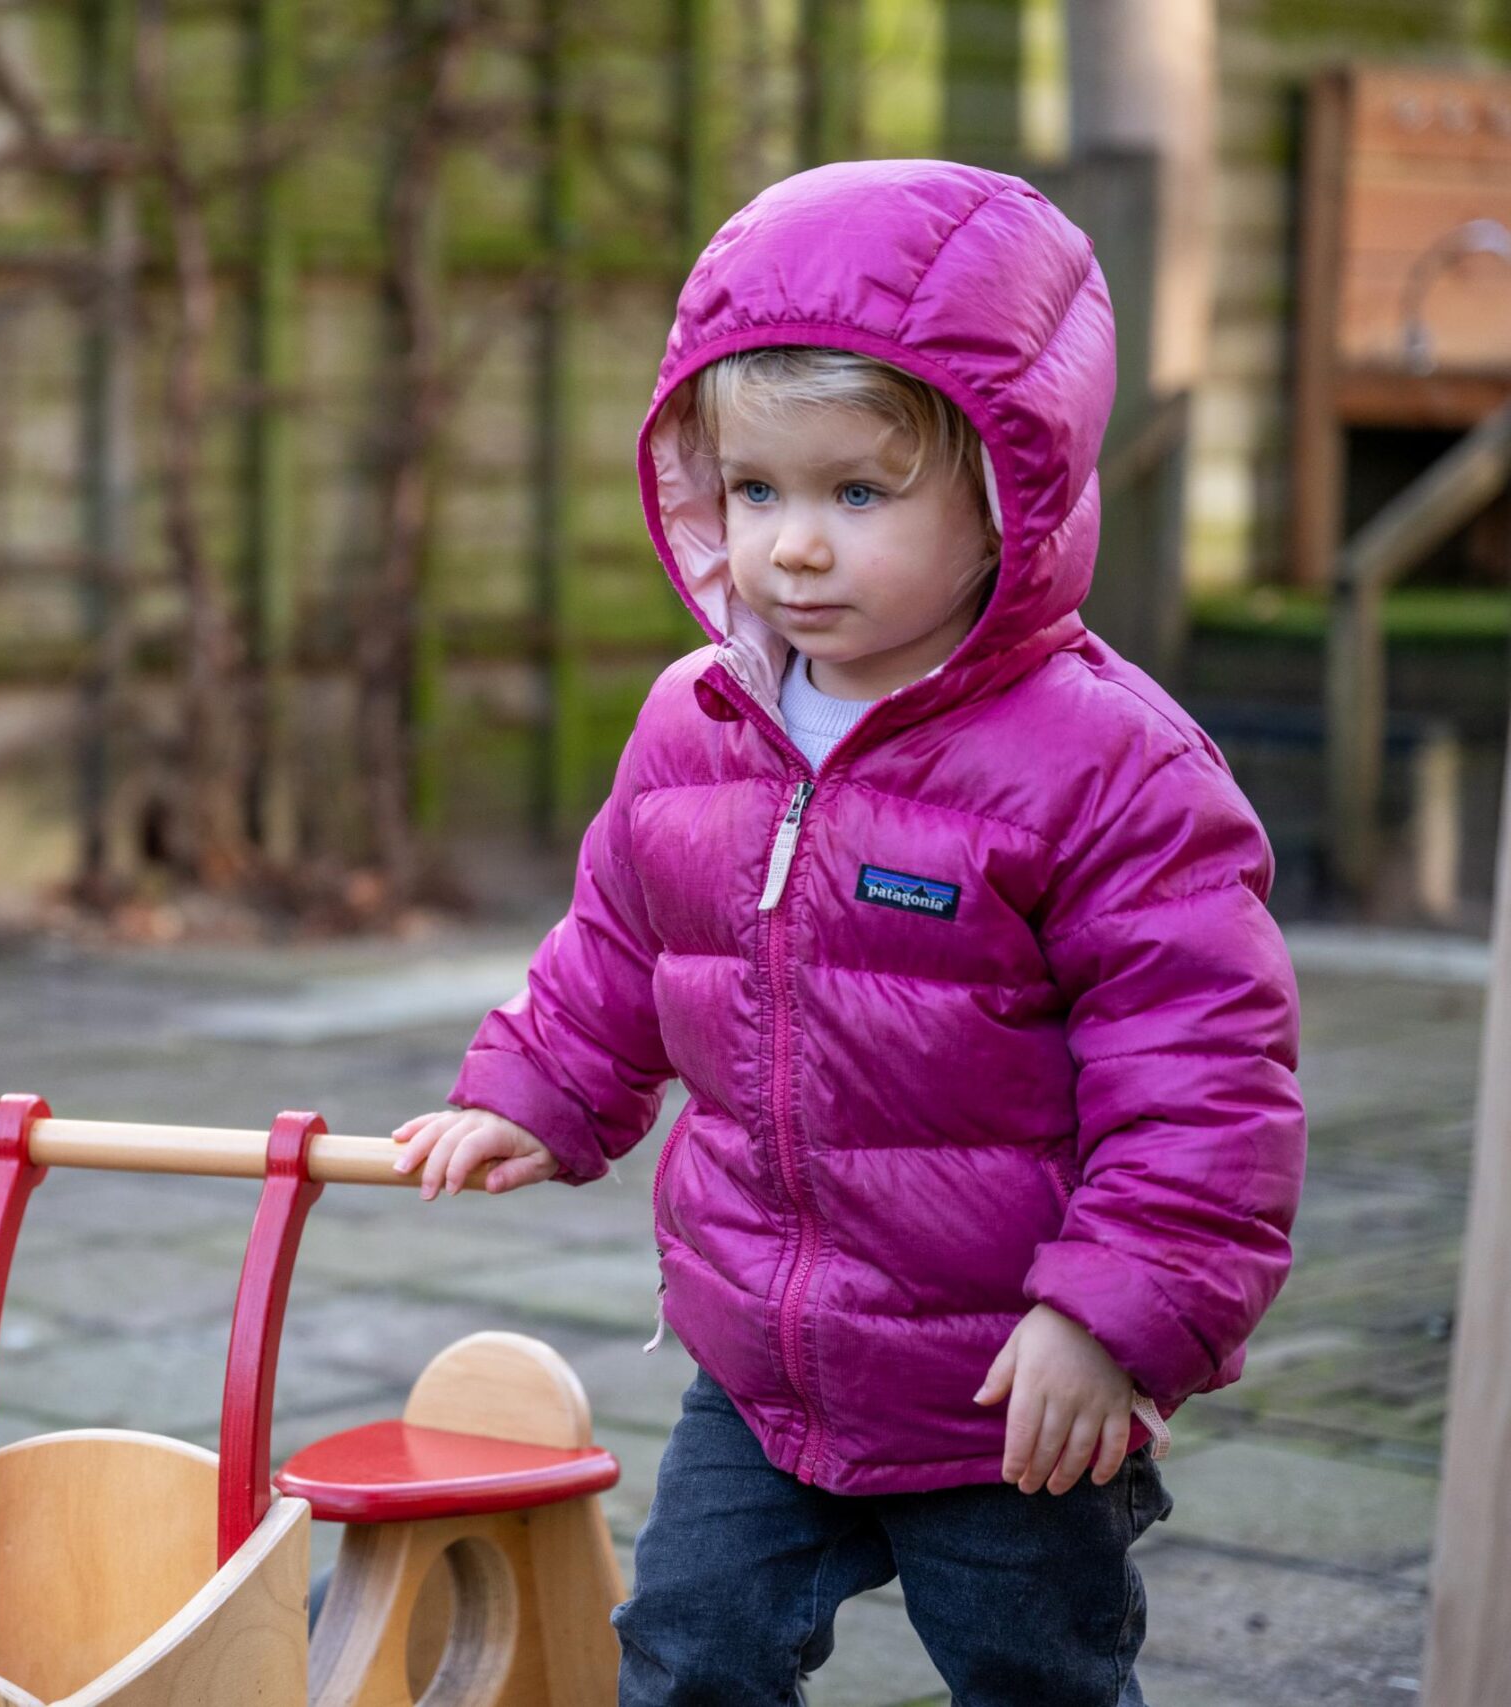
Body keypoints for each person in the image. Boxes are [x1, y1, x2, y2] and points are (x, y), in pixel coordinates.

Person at [388, 159, 1306, 1706]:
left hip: (1007, 1384)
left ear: (1009, 490)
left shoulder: (1108, 766)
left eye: (857, 494)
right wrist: (533, 1091)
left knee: (1038, 1678)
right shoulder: (700, 721)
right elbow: (622, 939)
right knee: (687, 1660)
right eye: (755, 492)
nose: (792, 548)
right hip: (760, 1358)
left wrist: (1114, 1318)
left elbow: (1205, 1075)